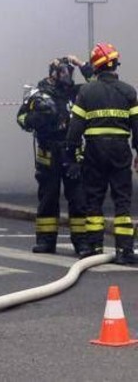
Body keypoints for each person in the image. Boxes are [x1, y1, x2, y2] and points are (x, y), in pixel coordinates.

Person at [65, 42, 138, 265]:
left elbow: (75, 129)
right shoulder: (128, 91)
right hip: (120, 150)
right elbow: (137, 126)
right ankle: (125, 250)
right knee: (122, 200)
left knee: (93, 198)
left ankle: (95, 247)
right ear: (115, 63)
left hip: (95, 151)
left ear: (96, 67)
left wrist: (73, 157)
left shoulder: (87, 91)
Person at [16, 56, 91, 255]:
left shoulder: (75, 93)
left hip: (71, 151)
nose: (68, 77)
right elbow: (21, 118)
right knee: (48, 197)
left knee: (77, 198)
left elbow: (96, 85)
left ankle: (82, 243)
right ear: (54, 74)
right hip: (47, 152)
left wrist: (81, 64)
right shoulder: (39, 94)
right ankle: (45, 241)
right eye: (65, 72)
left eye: (70, 72)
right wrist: (37, 117)